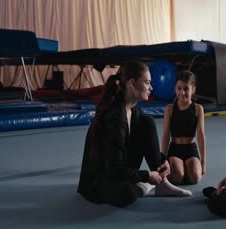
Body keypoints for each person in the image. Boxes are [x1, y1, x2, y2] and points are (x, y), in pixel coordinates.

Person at [77, 60, 192, 208]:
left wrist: (163, 161)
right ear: (132, 83)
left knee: (148, 122)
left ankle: (163, 183)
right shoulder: (114, 117)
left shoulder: (133, 109)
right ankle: (147, 185)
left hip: (119, 171)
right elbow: (114, 170)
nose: (151, 87)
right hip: (100, 179)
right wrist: (146, 177)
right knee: (126, 193)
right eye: (147, 82)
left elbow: (145, 142)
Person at [161, 70, 206, 185]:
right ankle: (181, 168)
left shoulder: (198, 109)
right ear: (175, 89)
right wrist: (163, 159)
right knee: (177, 177)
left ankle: (187, 168)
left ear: (193, 90)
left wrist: (203, 162)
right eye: (179, 88)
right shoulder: (169, 109)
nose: (183, 93)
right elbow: (166, 135)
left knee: (195, 178)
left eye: (186, 89)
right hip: (175, 149)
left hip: (191, 149)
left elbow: (201, 135)